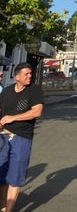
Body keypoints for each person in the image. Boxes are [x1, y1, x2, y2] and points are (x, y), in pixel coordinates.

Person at [0, 62, 44, 212]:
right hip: (3, 137)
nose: (30, 76)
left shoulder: (34, 91)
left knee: (15, 177)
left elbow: (37, 112)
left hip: (22, 137)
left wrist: (13, 117)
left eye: (30, 74)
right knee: (2, 176)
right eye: (26, 74)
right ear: (17, 76)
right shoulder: (6, 92)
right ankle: (3, 207)